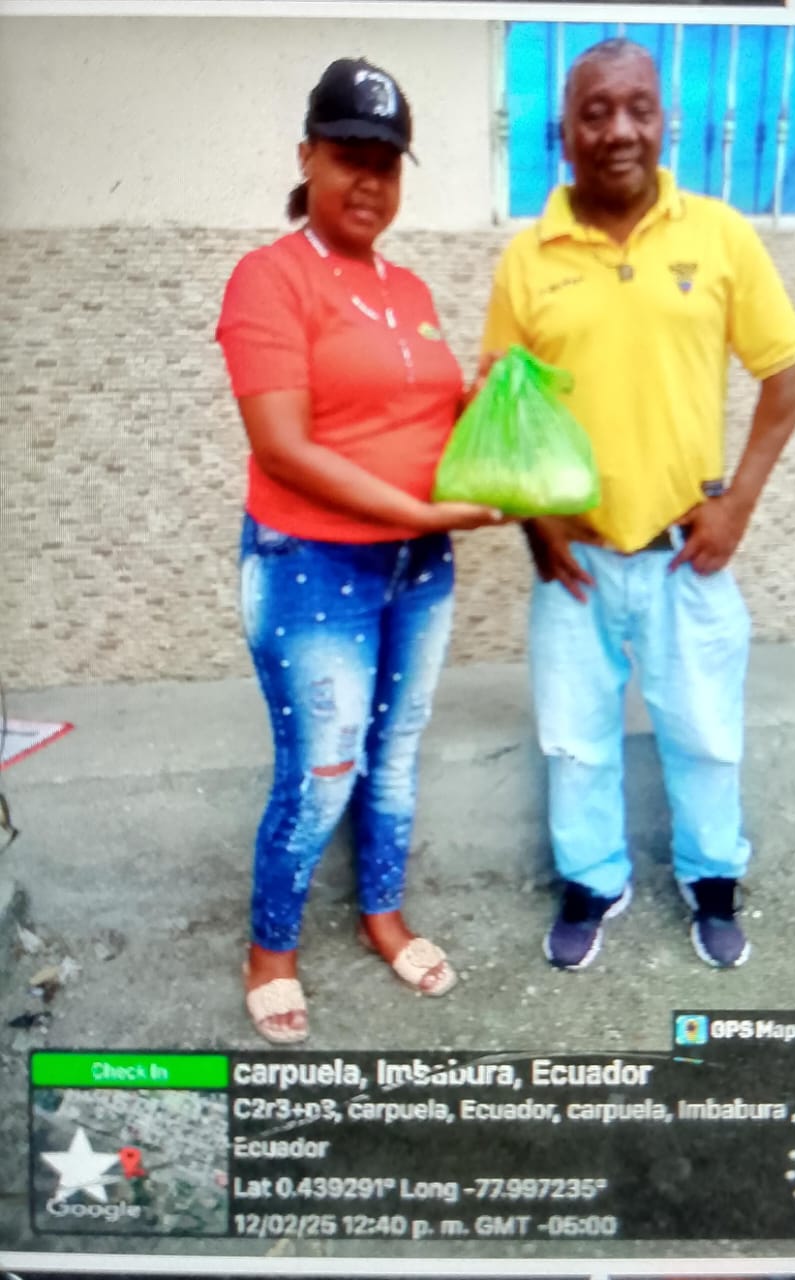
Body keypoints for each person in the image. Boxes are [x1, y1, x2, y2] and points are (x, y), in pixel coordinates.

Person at [480, 38, 795, 971]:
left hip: (683, 555)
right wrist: (536, 522)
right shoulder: (529, 258)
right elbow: (503, 408)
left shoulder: (719, 236)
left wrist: (737, 505)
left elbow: (788, 376)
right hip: (576, 563)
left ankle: (713, 882)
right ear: (564, 132)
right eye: (595, 113)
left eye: (639, 108)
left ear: (666, 121)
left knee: (705, 736)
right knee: (575, 742)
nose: (619, 130)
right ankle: (593, 881)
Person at [216, 57, 502, 1043]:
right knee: (322, 770)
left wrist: (494, 409)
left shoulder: (410, 288)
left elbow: (422, 417)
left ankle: (382, 913)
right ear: (308, 157)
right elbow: (283, 447)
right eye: (349, 156)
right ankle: (271, 950)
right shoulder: (270, 278)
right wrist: (426, 510)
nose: (369, 180)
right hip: (314, 566)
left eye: (386, 162)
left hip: (416, 566)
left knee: (396, 755)